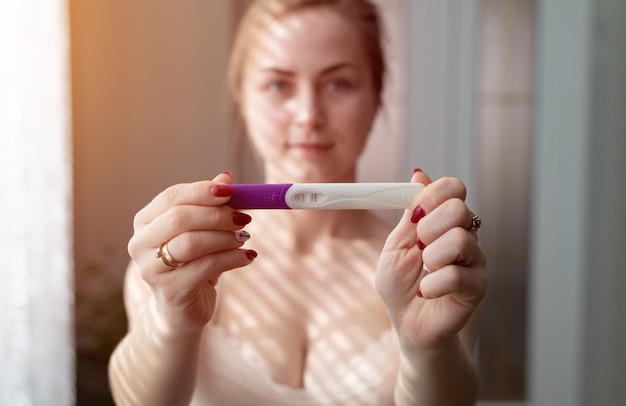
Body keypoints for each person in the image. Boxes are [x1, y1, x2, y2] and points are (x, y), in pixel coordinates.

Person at [108, 0, 487, 405]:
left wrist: (427, 349)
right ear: (242, 97)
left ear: (377, 96)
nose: (308, 115)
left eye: (338, 83)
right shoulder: (181, 258)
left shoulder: (429, 265)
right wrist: (170, 320)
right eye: (278, 84)